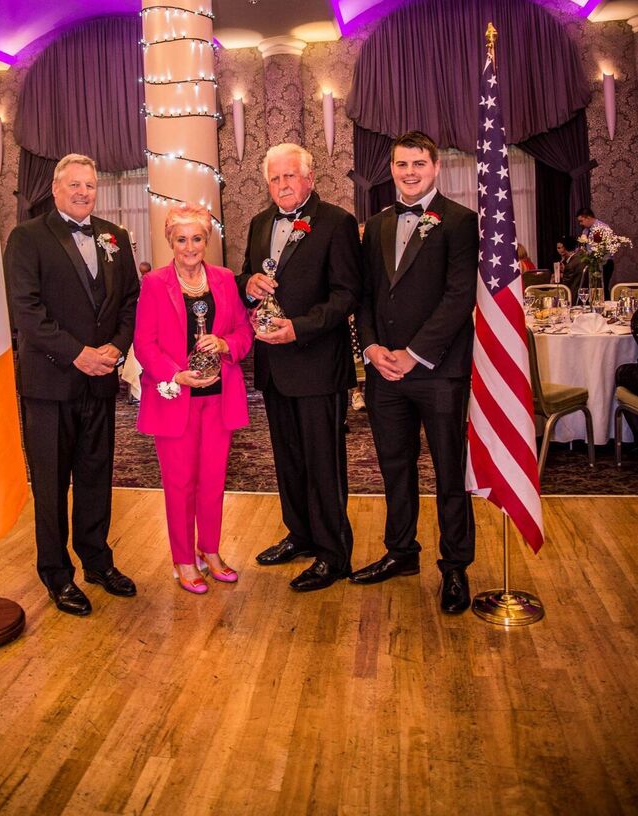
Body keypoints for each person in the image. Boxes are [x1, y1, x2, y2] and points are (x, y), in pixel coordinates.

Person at [4, 153, 140, 617]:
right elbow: (26, 311)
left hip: (100, 380)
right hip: (50, 382)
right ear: (56, 188)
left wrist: (116, 350)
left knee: (96, 477)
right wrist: (78, 353)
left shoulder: (115, 236)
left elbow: (129, 303)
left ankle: (98, 562)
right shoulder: (26, 237)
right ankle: (56, 574)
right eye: (75, 184)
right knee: (50, 484)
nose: (83, 192)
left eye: (90, 185)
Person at [353, 130, 478, 616]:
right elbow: (364, 296)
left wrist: (415, 353)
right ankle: (401, 552)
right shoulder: (378, 224)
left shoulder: (461, 222)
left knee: (449, 474)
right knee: (394, 468)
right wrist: (371, 348)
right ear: (392, 169)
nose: (409, 173)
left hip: (439, 371)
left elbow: (458, 296)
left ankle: (455, 566)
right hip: (384, 371)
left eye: (418, 164)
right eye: (401, 165)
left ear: (436, 167)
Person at [237, 143, 362, 593]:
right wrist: (246, 284)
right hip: (273, 367)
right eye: (275, 178)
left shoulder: (337, 223)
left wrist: (299, 329)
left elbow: (347, 294)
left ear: (310, 178)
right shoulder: (258, 224)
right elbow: (248, 279)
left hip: (317, 364)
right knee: (287, 459)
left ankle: (334, 554)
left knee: (323, 464)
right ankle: (300, 534)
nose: (283, 185)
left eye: (291, 176)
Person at [134, 205, 253, 594]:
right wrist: (174, 374)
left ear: (207, 241)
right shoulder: (154, 283)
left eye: (197, 238)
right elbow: (144, 344)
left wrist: (224, 343)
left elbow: (243, 333)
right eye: (182, 239)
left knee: (213, 481)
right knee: (180, 483)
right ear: (170, 241)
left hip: (219, 397)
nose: (190, 247)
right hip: (175, 397)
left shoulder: (223, 279)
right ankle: (184, 559)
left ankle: (212, 551)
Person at [576, 207, 614, 298]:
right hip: (592, 263)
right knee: (593, 288)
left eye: (581, 221)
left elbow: (606, 247)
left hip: (604, 263)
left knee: (602, 288)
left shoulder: (602, 228)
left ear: (588, 217)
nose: (580, 224)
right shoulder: (586, 230)